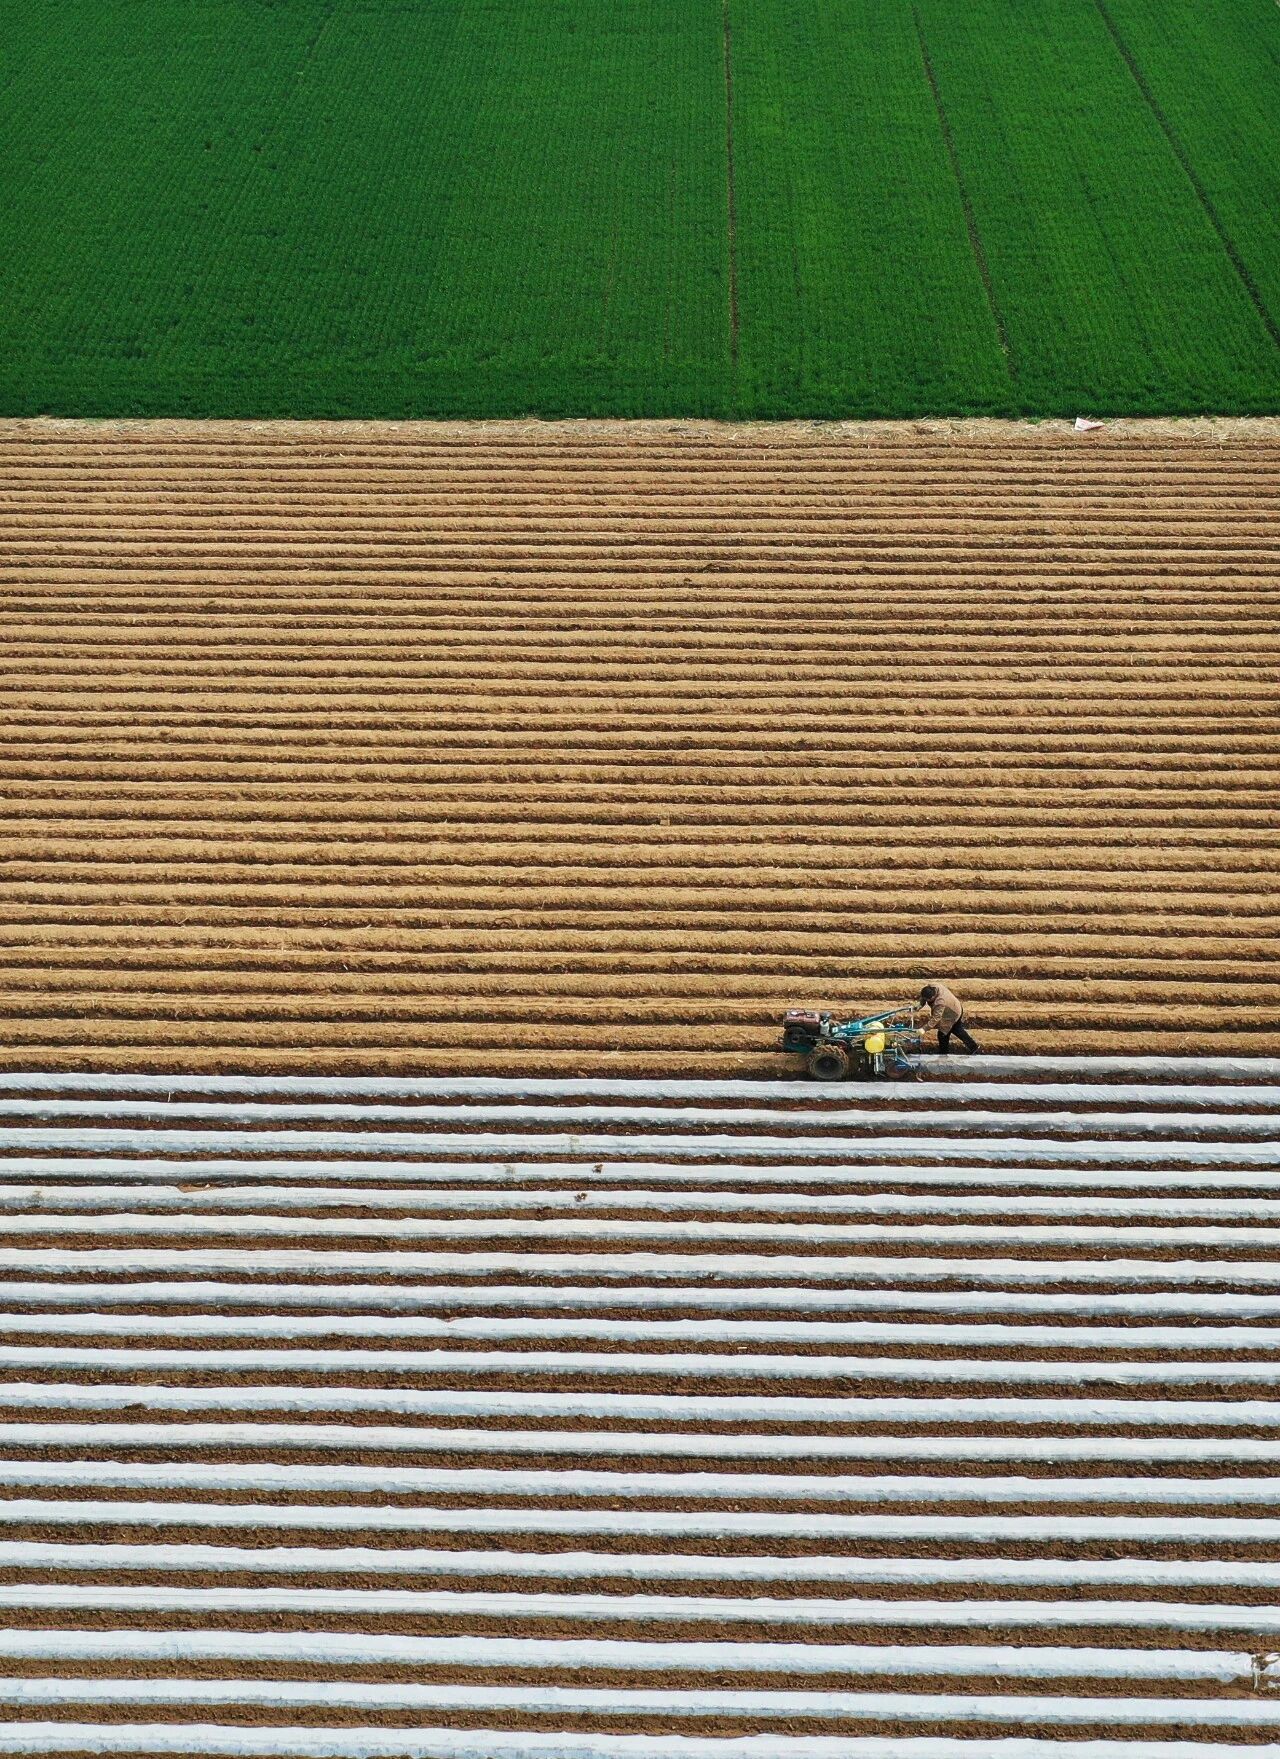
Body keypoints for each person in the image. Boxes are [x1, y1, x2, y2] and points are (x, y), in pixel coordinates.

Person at [916, 981, 980, 1053]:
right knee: (957, 1030)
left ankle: (944, 1054)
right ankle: (973, 1047)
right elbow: (924, 998)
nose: (926, 1001)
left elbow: (936, 1018)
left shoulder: (940, 1002)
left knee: (943, 1034)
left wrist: (924, 1029)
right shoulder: (933, 986)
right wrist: (920, 1004)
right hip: (953, 1005)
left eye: (927, 1000)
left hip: (952, 1013)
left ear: (932, 997)